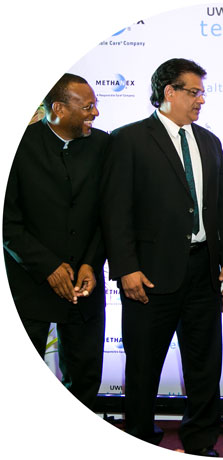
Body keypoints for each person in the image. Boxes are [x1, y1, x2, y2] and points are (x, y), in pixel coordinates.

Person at [100, 58, 223, 457]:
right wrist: (126, 268)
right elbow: (115, 211)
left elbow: (221, 205)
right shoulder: (128, 139)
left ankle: (201, 443)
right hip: (149, 275)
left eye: (202, 93)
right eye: (194, 92)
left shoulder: (210, 141)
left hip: (203, 271)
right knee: (143, 367)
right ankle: (140, 438)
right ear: (169, 92)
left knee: (204, 366)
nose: (201, 100)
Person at [3, 73, 108, 409]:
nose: (95, 113)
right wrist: (49, 267)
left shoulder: (104, 146)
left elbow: (109, 216)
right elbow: (8, 223)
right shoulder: (17, 146)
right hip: (29, 282)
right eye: (87, 107)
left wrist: (91, 262)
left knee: (85, 377)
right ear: (59, 109)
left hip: (84, 284)